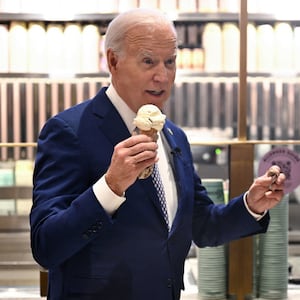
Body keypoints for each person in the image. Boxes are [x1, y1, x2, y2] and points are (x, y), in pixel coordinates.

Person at [30, 8, 286, 300]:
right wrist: (110, 187)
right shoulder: (69, 131)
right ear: (113, 61)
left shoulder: (174, 136)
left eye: (170, 62)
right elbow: (46, 246)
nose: (163, 76)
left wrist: (251, 204)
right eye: (148, 61)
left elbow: (202, 225)